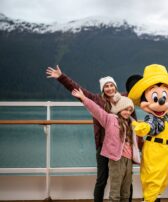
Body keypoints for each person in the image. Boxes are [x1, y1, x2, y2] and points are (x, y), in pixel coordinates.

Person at [46, 65, 137, 202]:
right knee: (102, 179)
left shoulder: (124, 98)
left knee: (126, 180)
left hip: (124, 149)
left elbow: (137, 98)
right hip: (103, 146)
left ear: (116, 87)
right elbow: (79, 91)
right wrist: (61, 77)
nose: (110, 88)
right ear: (103, 89)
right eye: (106, 86)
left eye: (112, 85)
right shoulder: (97, 99)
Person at [72, 88, 140, 202]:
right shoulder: (110, 119)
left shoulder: (132, 123)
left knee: (126, 191)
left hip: (129, 160)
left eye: (130, 110)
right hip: (116, 159)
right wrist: (83, 98)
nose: (127, 112)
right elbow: (96, 110)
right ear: (119, 108)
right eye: (125, 109)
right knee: (115, 191)